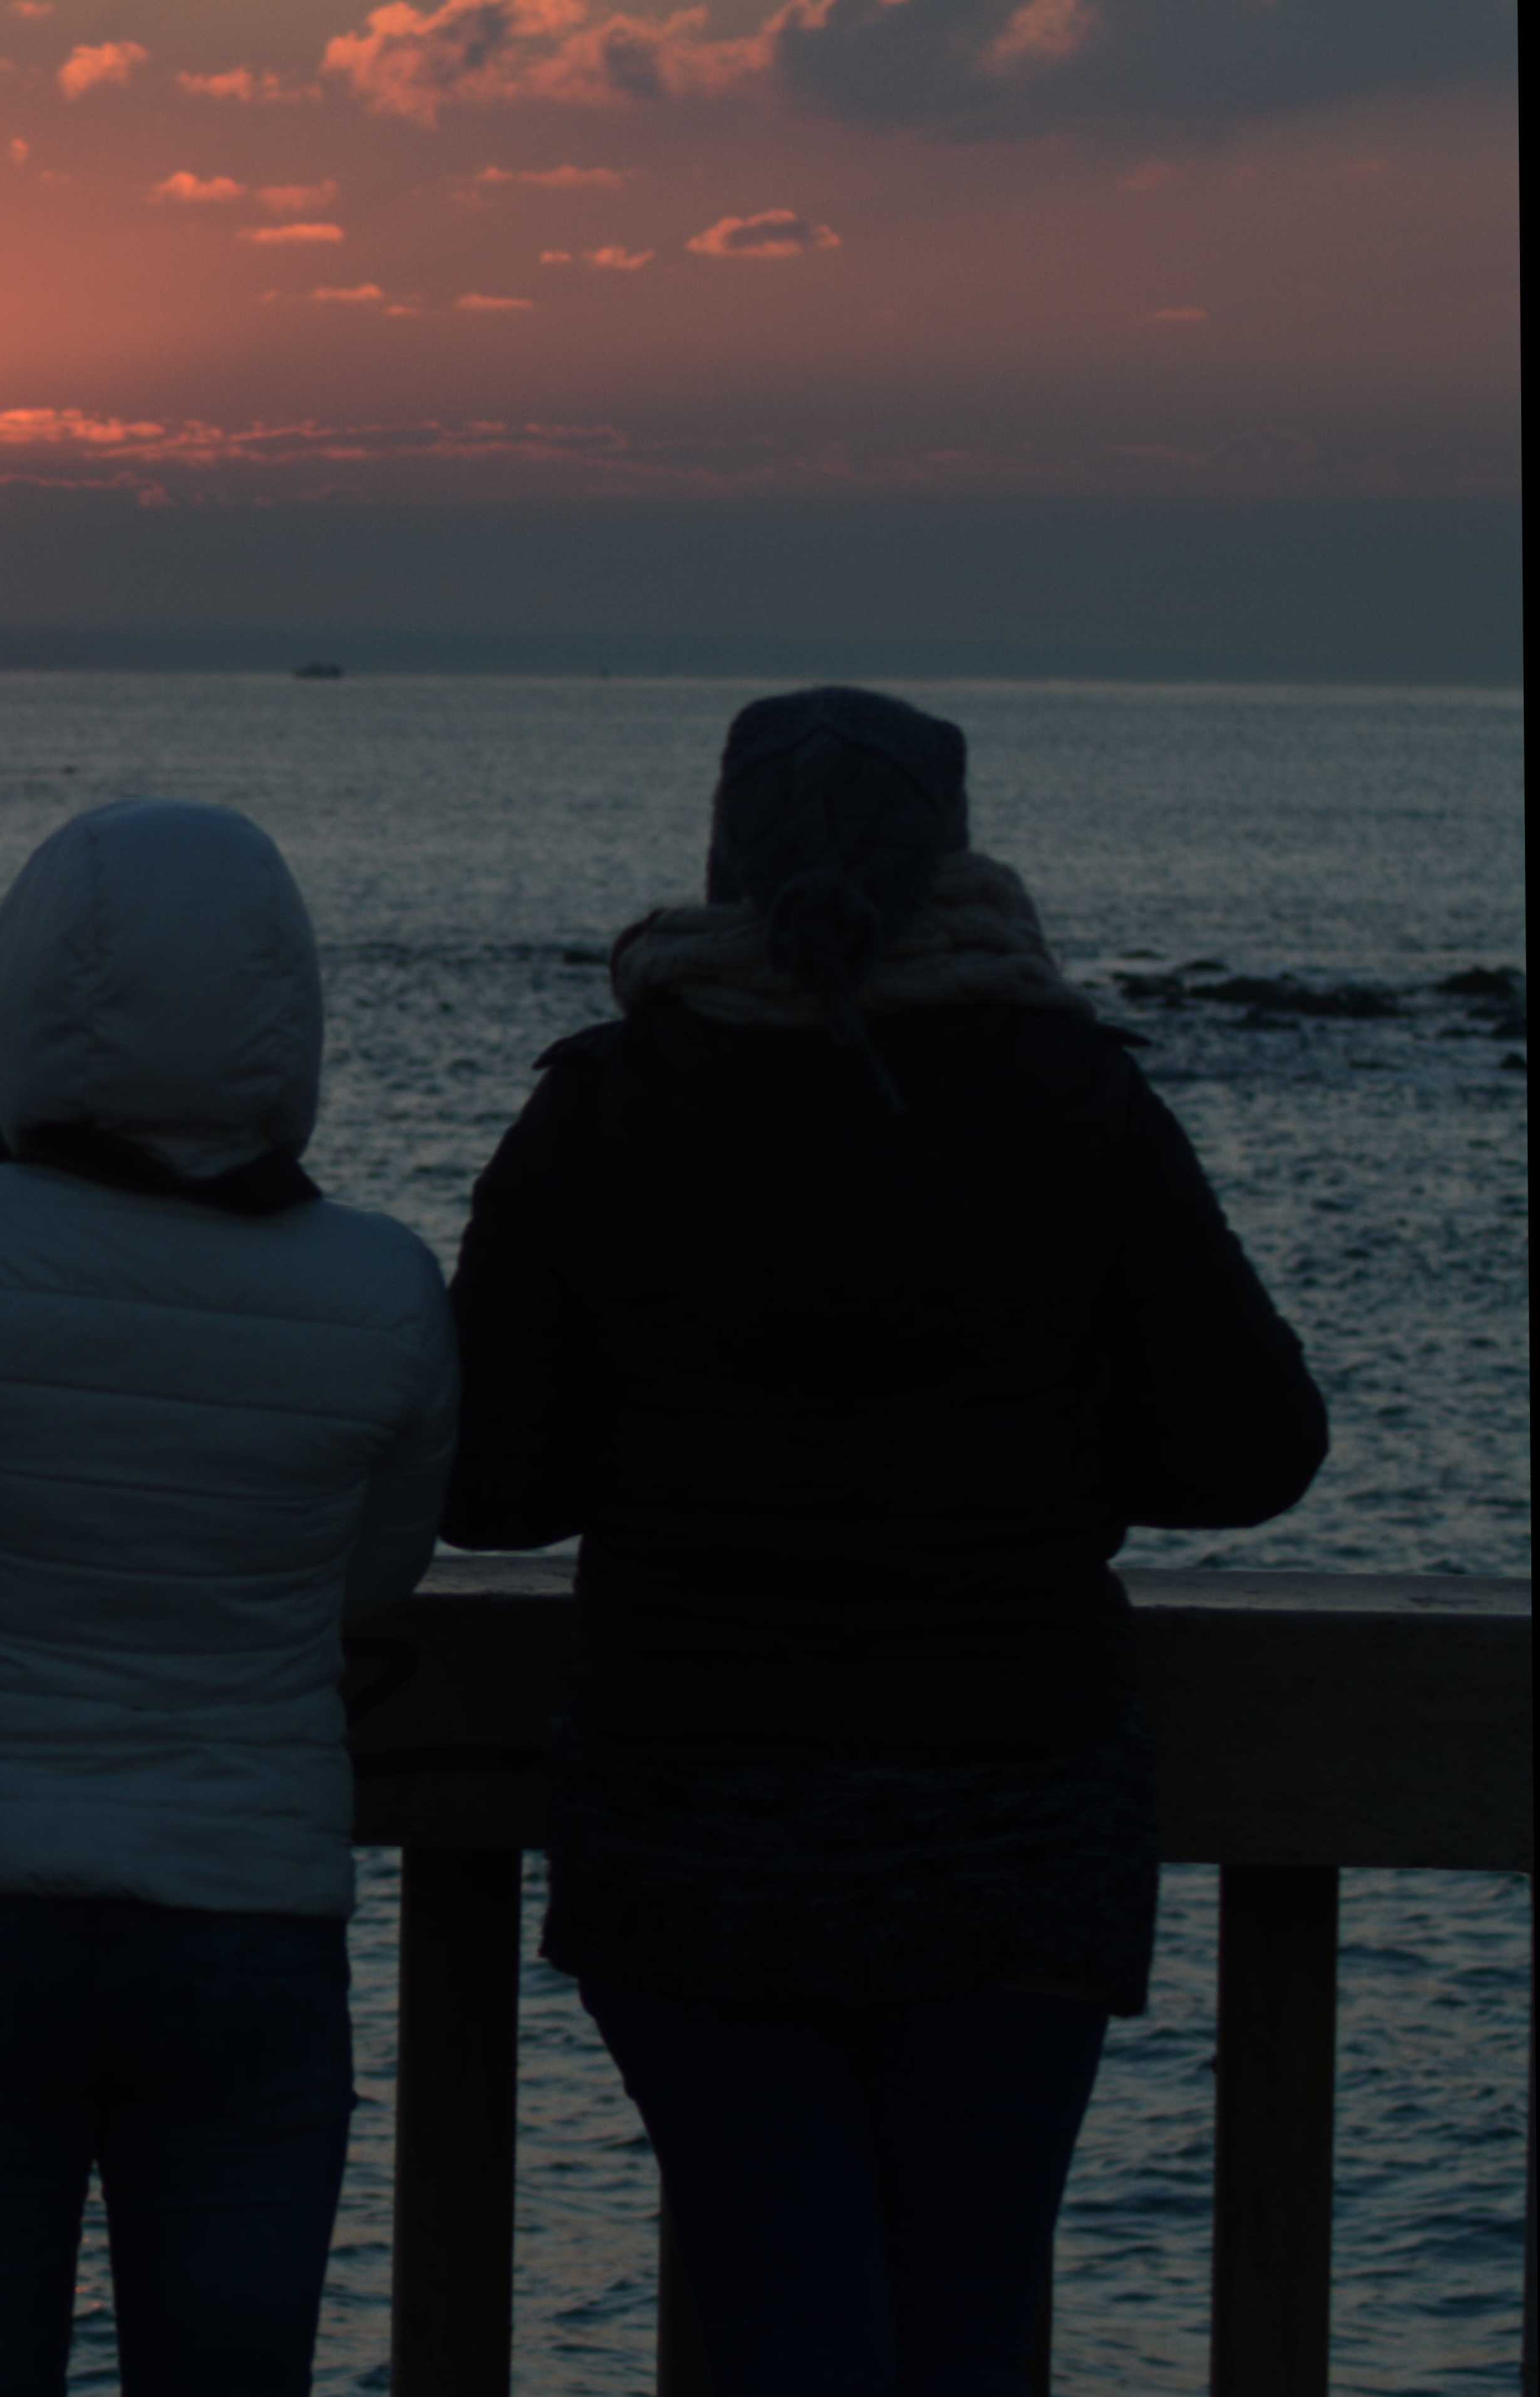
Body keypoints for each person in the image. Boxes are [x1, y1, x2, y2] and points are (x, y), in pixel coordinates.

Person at [443, 687, 1326, 2396]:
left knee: (782, 2312)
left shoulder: (611, 1100)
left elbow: (483, 1485)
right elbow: (1254, 1448)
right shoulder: (1069, 1092)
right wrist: (1048, 1449)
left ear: (721, 848)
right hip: (1009, 1809)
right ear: (952, 859)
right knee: (969, 2310)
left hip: (696, 1813)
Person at [0, 799, 457, 2395]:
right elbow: (375, 1575)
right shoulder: (382, 1283)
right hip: (247, 1915)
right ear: (285, 1008)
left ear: (19, 991)